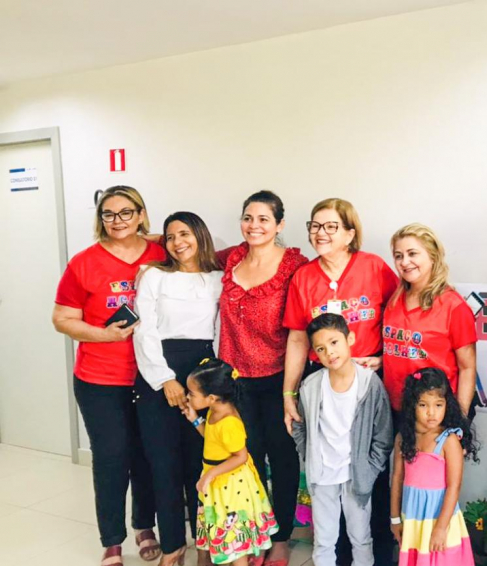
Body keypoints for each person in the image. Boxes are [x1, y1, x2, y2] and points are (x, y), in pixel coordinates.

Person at [52, 185, 163, 566]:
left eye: (126, 212)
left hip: (151, 377)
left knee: (148, 455)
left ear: (142, 214)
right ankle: (113, 540)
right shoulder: (84, 263)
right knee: (112, 457)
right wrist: (105, 334)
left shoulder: (161, 253)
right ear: (100, 219)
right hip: (100, 379)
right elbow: (62, 319)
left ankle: (144, 525)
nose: (118, 221)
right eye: (109, 214)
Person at [283, 198, 397, 565]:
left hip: (368, 383)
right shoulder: (304, 277)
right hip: (323, 380)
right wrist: (289, 391)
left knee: (368, 482)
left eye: (331, 226)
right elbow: (299, 338)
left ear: (350, 232)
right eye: (315, 225)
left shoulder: (374, 268)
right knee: (331, 481)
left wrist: (384, 358)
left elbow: (399, 318)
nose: (321, 233)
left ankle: (375, 555)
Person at [217, 190, 309, 566]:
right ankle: (255, 533)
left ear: (279, 224)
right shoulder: (232, 258)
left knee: (282, 458)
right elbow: (189, 248)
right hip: (235, 378)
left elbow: (301, 328)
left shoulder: (295, 266)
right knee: (247, 458)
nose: (254, 226)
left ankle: (282, 536)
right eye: (248, 218)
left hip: (278, 378)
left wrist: (290, 389)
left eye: (263, 219)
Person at [134, 211, 224, 566]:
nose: (177, 243)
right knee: (163, 463)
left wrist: (210, 384)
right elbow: (145, 329)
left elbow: (219, 330)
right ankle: (173, 545)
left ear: (200, 235)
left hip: (204, 371)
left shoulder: (218, 278)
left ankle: (204, 543)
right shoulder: (154, 276)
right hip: (159, 371)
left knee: (200, 465)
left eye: (184, 234)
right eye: (170, 237)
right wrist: (165, 379)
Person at [291, 313, 394, 566]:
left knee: (361, 537)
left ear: (350, 338)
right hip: (323, 474)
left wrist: (370, 469)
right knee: (325, 539)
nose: (330, 353)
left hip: (356, 475)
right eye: (321, 349)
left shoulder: (369, 384)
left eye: (335, 343)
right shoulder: (311, 385)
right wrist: (310, 454)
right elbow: (300, 425)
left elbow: (383, 434)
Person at [182, 358, 279, 566]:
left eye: (192, 394)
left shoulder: (229, 422)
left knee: (235, 545)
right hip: (216, 483)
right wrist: (194, 419)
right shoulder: (213, 411)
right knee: (223, 539)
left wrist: (210, 474)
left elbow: (241, 456)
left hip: (231, 487)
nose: (188, 397)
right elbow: (211, 438)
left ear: (211, 397)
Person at [383, 223, 477, 417]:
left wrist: (460, 420)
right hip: (397, 410)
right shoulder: (393, 301)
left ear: (432, 256)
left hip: (435, 415)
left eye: (412, 253)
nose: (404, 262)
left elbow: (467, 368)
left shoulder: (453, 306)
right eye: (398, 256)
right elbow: (404, 349)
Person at [390, 367, 477, 566]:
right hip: (412, 518)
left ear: (447, 405)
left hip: (440, 520)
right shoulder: (404, 438)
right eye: (423, 405)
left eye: (438, 405)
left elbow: (454, 486)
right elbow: (397, 478)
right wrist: (395, 518)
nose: (431, 413)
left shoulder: (449, 440)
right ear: (413, 405)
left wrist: (441, 528)